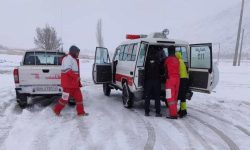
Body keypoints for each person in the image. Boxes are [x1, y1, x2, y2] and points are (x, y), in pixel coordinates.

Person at [53, 45, 88, 116]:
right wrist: (76, 77)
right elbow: (67, 70)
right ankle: (56, 110)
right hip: (68, 85)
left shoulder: (72, 58)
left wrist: (76, 80)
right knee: (64, 100)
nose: (78, 54)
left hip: (74, 85)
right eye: (77, 53)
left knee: (79, 98)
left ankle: (81, 112)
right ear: (73, 52)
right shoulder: (67, 59)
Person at [144, 46, 162, 117]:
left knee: (147, 96)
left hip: (148, 80)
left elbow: (144, 70)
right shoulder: (158, 59)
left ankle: (146, 112)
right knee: (157, 97)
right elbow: (161, 70)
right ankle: (157, 112)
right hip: (156, 81)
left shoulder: (146, 59)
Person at [164, 46, 180, 119]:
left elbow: (164, 67)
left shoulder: (168, 59)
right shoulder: (177, 59)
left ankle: (173, 115)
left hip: (170, 80)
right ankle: (175, 112)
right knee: (175, 97)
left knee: (169, 97)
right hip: (177, 79)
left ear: (168, 51)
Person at [175, 52, 189, 118]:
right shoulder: (182, 61)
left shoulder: (178, 61)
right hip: (185, 79)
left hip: (182, 79)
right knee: (182, 96)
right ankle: (182, 110)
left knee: (181, 96)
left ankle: (183, 111)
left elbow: (177, 71)